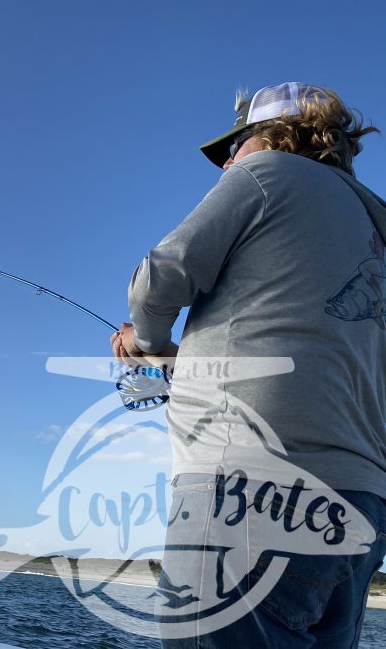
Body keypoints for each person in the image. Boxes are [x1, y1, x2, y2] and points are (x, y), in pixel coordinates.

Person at [110, 82, 386, 646]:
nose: (228, 163)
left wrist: (146, 341)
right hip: (363, 501)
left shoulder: (267, 174)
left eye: (235, 146)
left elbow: (157, 280)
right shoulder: (376, 225)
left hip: (249, 489)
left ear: (272, 137)